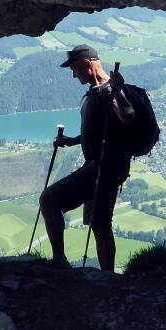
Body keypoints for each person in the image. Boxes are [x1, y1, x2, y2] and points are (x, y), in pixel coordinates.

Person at [38, 44, 135, 271]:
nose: (73, 75)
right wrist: (72, 141)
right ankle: (108, 276)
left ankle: (59, 263)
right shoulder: (97, 91)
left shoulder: (109, 91)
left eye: (75, 69)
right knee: (100, 224)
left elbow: (129, 116)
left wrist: (117, 90)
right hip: (103, 168)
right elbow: (101, 132)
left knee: (49, 200)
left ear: (88, 64)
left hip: (103, 168)